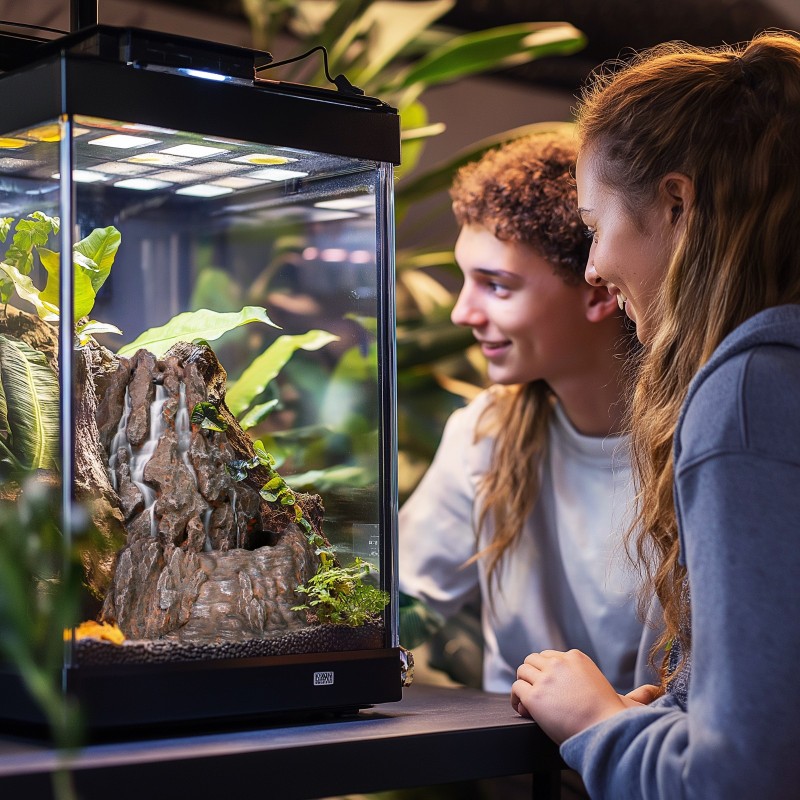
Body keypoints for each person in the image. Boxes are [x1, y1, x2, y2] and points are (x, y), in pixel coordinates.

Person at [510, 33, 800, 799]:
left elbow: (742, 778)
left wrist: (594, 723)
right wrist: (664, 721)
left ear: (676, 202)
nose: (596, 266)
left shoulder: (748, 395)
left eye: (595, 225)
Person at [399, 130, 649, 698]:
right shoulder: (486, 435)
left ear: (599, 289)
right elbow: (406, 610)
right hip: (522, 775)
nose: (464, 312)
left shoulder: (699, 435)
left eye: (497, 285)